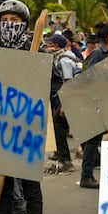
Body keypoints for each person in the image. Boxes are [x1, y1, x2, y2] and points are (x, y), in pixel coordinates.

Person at [0, 0, 43, 214]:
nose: (9, 25)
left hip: (29, 130)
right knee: (3, 189)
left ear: (25, 23)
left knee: (32, 189)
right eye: (5, 21)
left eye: (15, 20)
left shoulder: (37, 51)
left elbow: (51, 86)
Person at [80, 21, 108, 189]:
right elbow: (90, 78)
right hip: (97, 102)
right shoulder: (98, 54)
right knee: (93, 139)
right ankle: (86, 176)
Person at [44, 34, 77, 173]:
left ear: (56, 45)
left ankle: (66, 158)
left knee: (60, 125)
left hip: (65, 99)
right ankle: (62, 154)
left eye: (50, 45)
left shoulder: (64, 60)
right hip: (60, 98)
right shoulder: (62, 56)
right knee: (60, 126)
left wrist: (65, 104)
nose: (48, 48)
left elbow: (68, 81)